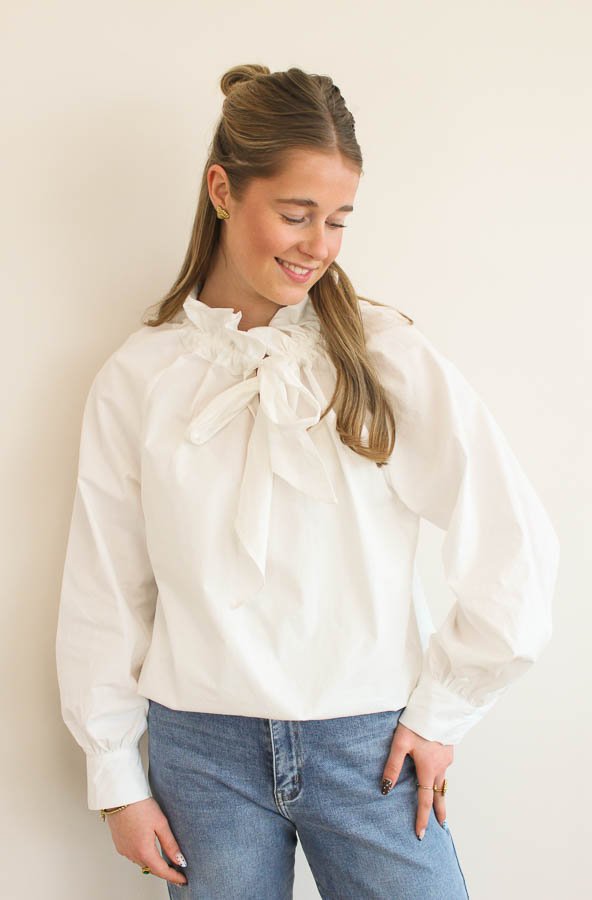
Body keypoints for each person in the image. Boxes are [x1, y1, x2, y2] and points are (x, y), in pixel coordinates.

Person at [55, 64, 560, 899]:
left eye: (337, 219)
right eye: (295, 214)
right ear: (223, 190)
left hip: (370, 747)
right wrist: (114, 774)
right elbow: (106, 587)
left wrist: (443, 712)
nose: (318, 244)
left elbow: (512, 540)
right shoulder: (139, 377)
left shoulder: (386, 356)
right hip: (200, 756)